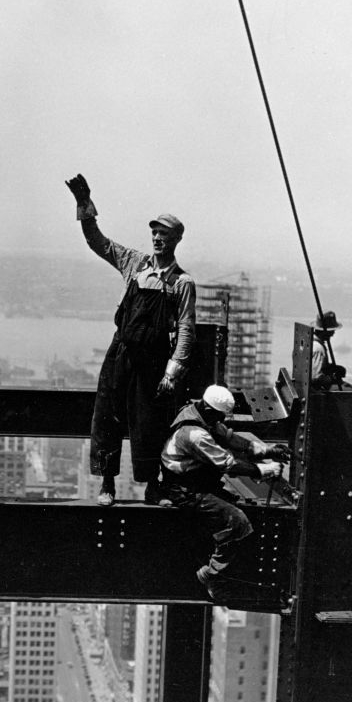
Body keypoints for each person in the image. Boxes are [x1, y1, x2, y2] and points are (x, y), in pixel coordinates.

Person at [65, 173, 196, 507]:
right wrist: (84, 205)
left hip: (153, 360)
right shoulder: (135, 264)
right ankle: (107, 484)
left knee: (150, 423)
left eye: (163, 234)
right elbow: (98, 242)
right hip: (121, 352)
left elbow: (185, 328)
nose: (156, 238)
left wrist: (172, 371)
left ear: (176, 239)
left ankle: (153, 487)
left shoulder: (182, 283)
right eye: (154, 232)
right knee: (108, 414)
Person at [159, 384, 289, 604]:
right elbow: (227, 463)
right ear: (210, 410)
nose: (222, 420)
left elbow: (231, 439)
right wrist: (264, 470)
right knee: (238, 521)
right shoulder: (195, 434)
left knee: (231, 507)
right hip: (185, 491)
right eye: (220, 416)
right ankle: (212, 575)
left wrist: (267, 450)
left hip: (193, 483)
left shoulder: (197, 414)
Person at [311, 310, 347, 389]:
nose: (333, 334)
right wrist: (332, 378)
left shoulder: (312, 343)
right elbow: (316, 377)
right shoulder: (318, 349)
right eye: (332, 331)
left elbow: (319, 367)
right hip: (317, 389)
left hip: (316, 385)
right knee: (350, 391)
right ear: (324, 331)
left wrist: (333, 368)